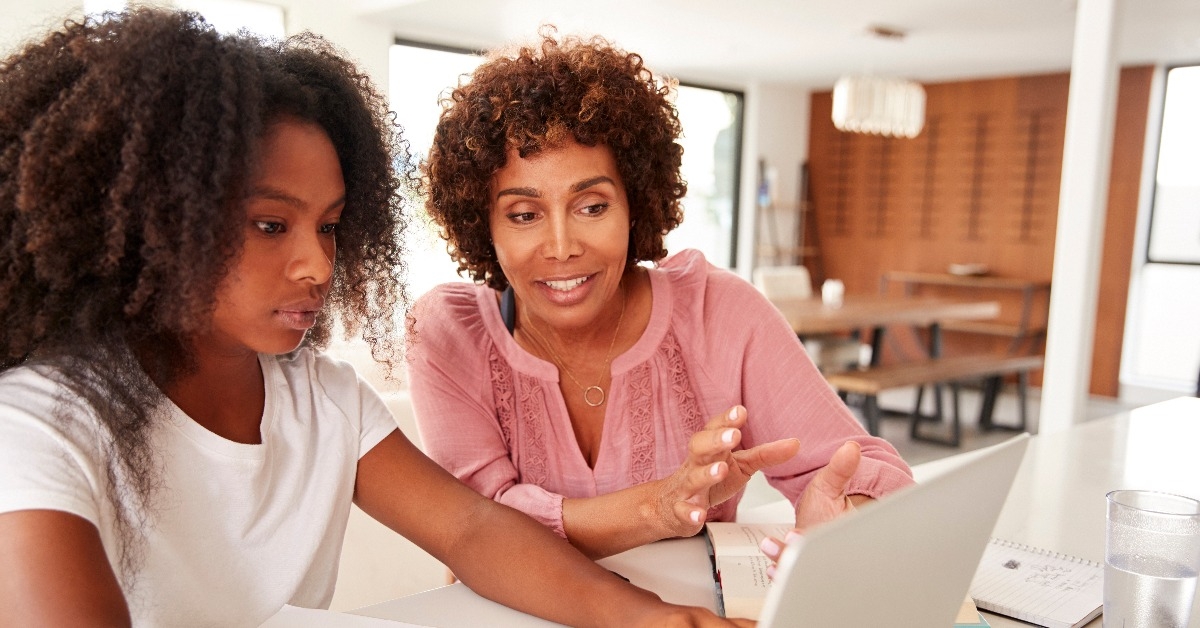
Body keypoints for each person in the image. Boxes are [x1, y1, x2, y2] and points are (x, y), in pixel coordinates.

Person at [0, 10, 752, 627]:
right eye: (271, 225)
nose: (318, 266)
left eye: (328, 226)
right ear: (153, 223)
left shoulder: (320, 399)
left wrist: (647, 619)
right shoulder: (38, 424)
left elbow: (473, 529)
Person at [409, 28, 915, 562]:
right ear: (482, 224)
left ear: (635, 204)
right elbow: (477, 523)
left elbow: (866, 472)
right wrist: (659, 506)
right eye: (524, 215)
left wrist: (850, 516)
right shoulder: (448, 335)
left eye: (593, 206)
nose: (560, 247)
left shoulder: (718, 313)